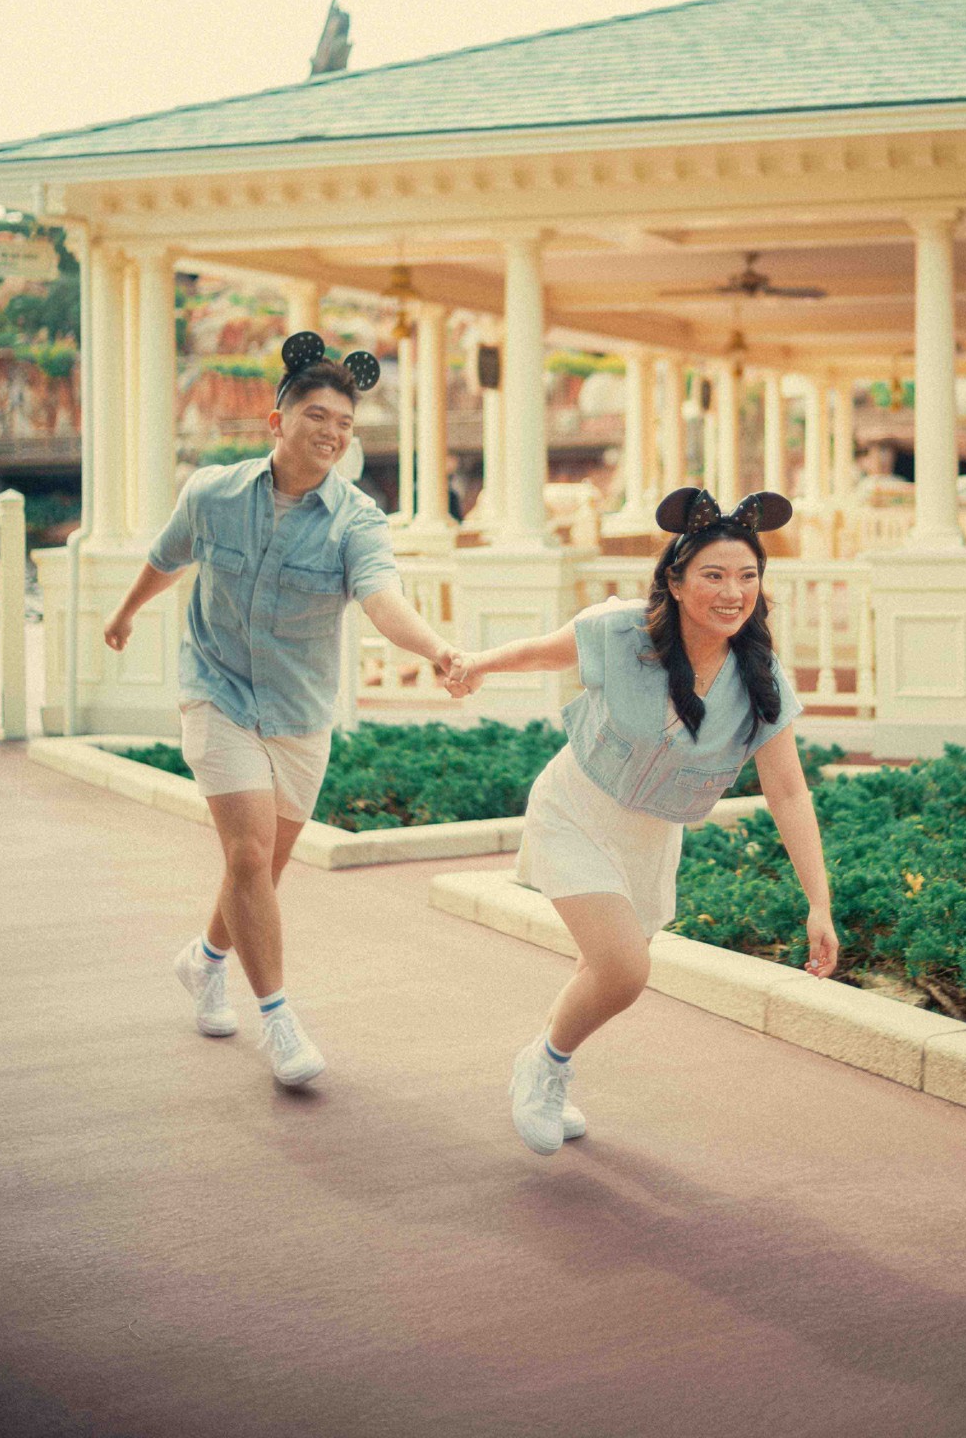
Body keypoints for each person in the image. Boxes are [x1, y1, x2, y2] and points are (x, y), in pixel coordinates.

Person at [104, 333, 461, 1089]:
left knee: (263, 868)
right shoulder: (212, 494)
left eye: (345, 423)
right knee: (246, 856)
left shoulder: (357, 520)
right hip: (218, 689)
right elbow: (167, 557)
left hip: (300, 710)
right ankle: (278, 1021)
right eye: (317, 416)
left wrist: (435, 648)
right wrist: (126, 612)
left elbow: (382, 598)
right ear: (278, 421)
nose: (332, 432)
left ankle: (205, 962)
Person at [449, 486, 839, 1157]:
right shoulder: (623, 631)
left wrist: (819, 904)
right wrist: (476, 664)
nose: (732, 592)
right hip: (575, 809)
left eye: (747, 576)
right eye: (713, 575)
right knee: (624, 971)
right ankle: (545, 1065)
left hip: (653, 838)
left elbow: (789, 792)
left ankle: (546, 1060)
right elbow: (544, 651)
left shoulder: (761, 678)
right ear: (676, 582)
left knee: (600, 970)